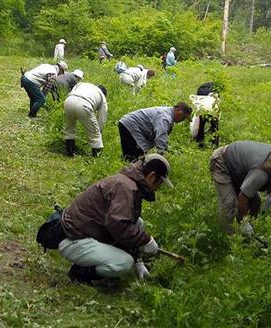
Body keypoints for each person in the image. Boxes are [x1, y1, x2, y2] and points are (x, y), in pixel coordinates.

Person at [58, 154, 174, 284]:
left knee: (138, 222)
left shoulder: (127, 182)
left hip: (84, 230)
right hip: (73, 238)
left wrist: (138, 261)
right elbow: (119, 226)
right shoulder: (126, 188)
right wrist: (146, 241)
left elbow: (125, 223)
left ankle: (93, 263)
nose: (158, 188)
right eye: (160, 183)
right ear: (152, 176)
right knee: (124, 263)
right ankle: (81, 273)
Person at [209, 140, 271, 236]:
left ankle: (243, 234)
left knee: (255, 203)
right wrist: (244, 222)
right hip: (222, 162)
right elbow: (243, 197)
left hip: (240, 169)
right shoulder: (261, 172)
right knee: (229, 204)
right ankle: (224, 238)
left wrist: (269, 195)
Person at [118, 103, 192, 162]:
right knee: (135, 158)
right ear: (178, 110)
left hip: (131, 125)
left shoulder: (168, 114)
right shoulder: (165, 117)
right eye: (184, 117)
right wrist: (162, 156)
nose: (183, 119)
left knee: (133, 156)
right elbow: (160, 137)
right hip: (130, 125)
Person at [63, 82, 108, 157]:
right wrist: (98, 130)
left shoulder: (84, 84)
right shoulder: (102, 96)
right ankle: (96, 158)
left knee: (69, 128)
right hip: (84, 105)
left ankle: (70, 153)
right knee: (95, 135)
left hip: (68, 101)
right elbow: (102, 118)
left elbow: (74, 89)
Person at [189, 82, 221, 148]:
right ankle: (215, 145)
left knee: (201, 125)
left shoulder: (199, 97)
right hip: (212, 109)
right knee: (215, 127)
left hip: (202, 109)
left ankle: (200, 144)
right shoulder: (215, 97)